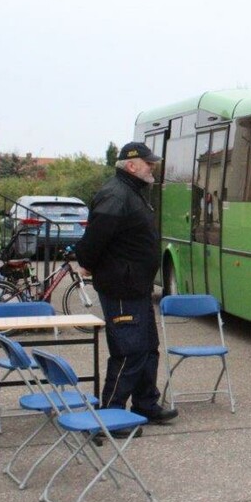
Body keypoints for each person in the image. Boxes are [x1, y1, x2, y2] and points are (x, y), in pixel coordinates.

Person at [76, 141, 178, 432]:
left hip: (137, 286)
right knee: (129, 351)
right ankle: (112, 413)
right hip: (121, 286)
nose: (153, 168)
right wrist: (86, 261)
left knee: (148, 348)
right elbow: (94, 240)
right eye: (149, 163)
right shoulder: (116, 195)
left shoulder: (132, 192)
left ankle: (146, 404)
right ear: (131, 165)